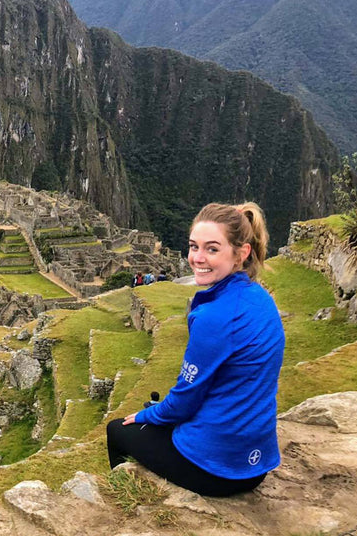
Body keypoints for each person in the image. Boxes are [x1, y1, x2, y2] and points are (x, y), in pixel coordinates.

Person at [106, 202, 284, 497]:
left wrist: (145, 416)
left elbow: (184, 402)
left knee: (117, 430)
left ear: (241, 253)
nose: (198, 258)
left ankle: (129, 500)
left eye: (212, 249)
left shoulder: (214, 318)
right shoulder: (261, 298)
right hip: (256, 462)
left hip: (218, 469)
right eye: (193, 247)